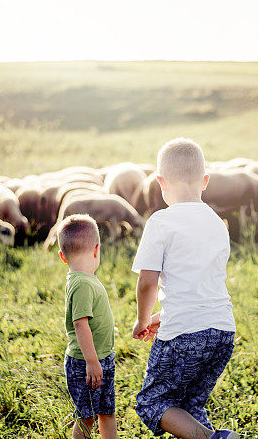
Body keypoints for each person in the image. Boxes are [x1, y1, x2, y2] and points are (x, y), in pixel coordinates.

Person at [132, 137, 239, 439]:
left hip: (184, 335)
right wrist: (163, 317)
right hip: (222, 331)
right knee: (191, 404)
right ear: (205, 181)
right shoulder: (218, 223)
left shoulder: (161, 222)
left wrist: (143, 319)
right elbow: (199, 285)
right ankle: (208, 434)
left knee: (152, 402)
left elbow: (147, 281)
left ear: (160, 182)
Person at [58, 214, 118, 439]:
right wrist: (92, 362)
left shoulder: (84, 279)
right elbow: (80, 324)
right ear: (97, 249)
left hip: (101, 359)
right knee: (87, 417)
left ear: (63, 257)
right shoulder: (82, 283)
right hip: (87, 363)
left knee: (106, 411)